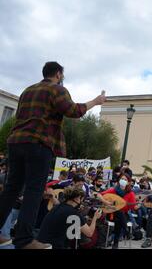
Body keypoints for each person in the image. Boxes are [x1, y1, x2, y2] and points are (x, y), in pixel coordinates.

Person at [0, 62, 106, 249]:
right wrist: (95, 102)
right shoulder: (57, 89)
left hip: (16, 141)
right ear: (58, 74)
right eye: (62, 75)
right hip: (39, 143)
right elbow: (74, 111)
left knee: (11, 189)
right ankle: (24, 240)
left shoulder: (27, 90)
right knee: (34, 190)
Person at [37, 187, 102, 249]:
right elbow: (89, 233)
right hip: (54, 246)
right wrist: (95, 217)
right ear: (77, 198)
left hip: (40, 243)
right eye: (81, 199)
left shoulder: (57, 207)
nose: (81, 202)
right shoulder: (73, 213)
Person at [100, 173, 137, 249]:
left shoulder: (130, 193)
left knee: (119, 217)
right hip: (111, 214)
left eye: (125, 179)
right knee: (117, 211)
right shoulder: (113, 190)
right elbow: (99, 195)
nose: (123, 181)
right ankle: (126, 231)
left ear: (128, 182)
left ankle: (115, 243)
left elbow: (133, 207)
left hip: (124, 215)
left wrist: (137, 205)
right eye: (122, 179)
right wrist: (106, 202)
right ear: (119, 180)